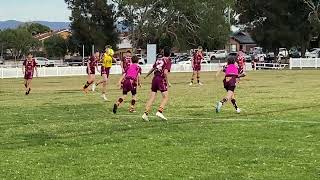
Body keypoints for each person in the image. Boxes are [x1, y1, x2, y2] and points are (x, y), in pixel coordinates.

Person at [142, 47, 171, 121]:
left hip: (154, 79)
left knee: (152, 97)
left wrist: (146, 75)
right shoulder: (168, 60)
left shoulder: (159, 59)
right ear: (169, 54)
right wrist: (167, 82)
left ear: (163, 53)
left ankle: (145, 114)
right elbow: (165, 72)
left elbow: (153, 68)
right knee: (166, 97)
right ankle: (159, 111)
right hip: (161, 79)